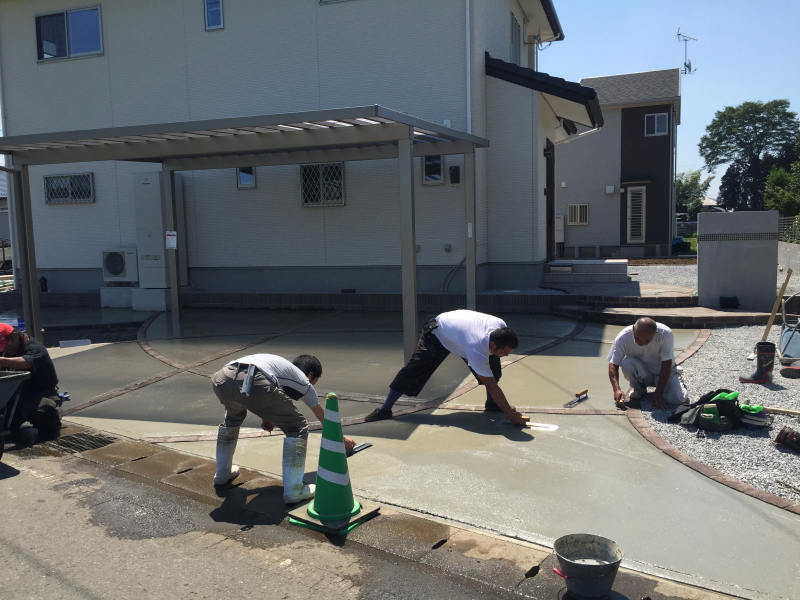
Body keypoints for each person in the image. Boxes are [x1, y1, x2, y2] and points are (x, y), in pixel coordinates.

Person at [210, 353, 356, 504]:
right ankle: (294, 489)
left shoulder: (280, 368)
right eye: (315, 381)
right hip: (253, 379)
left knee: (233, 418)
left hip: (223, 378)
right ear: (310, 375)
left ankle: (222, 474)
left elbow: (261, 389)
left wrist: (266, 417)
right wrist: (340, 440)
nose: (312, 385)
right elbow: (321, 415)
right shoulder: (303, 381)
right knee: (297, 426)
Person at [365, 309, 526, 425]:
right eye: (504, 352)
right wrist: (511, 415)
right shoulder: (476, 347)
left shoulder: (500, 327)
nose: (506, 355)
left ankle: (492, 404)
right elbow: (491, 386)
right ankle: (385, 409)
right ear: (493, 343)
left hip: (461, 336)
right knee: (414, 371)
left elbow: (489, 361)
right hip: (438, 334)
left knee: (492, 370)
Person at [607, 318, 687, 410]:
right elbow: (613, 363)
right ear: (633, 329)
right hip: (645, 374)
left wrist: (659, 393)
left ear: (655, 333)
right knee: (626, 363)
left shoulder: (665, 333)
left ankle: (677, 383)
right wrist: (616, 389)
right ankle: (639, 388)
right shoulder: (623, 337)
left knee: (677, 399)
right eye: (637, 339)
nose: (641, 343)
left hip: (665, 373)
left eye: (646, 341)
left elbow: (666, 364)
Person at [1, 325, 61, 438]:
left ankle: (53, 416)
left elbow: (24, 362)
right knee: (5, 427)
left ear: (15, 335)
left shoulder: (35, 348)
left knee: (42, 416)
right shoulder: (5, 350)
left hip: (38, 394)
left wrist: (1, 361)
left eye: (6, 345)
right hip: (11, 395)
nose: (4, 349)